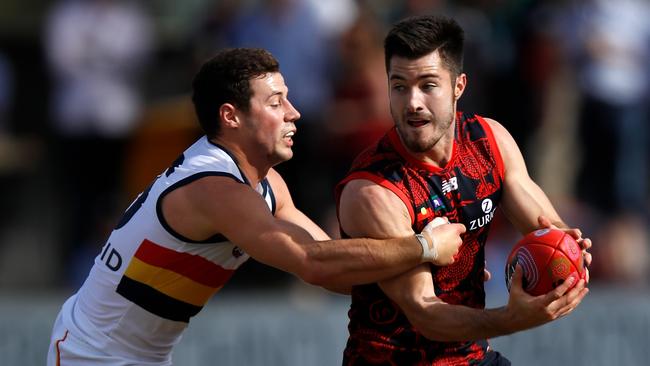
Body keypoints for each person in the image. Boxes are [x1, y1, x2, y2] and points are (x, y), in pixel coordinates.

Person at [46, 47, 468, 366]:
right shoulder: (214, 188)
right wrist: (422, 248)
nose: (294, 113)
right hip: (92, 354)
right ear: (231, 117)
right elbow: (313, 262)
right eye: (275, 102)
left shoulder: (268, 185)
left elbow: (337, 273)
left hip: (142, 355)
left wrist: (434, 282)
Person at [336, 15, 592, 365]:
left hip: (470, 355)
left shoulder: (490, 141)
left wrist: (569, 252)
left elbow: (546, 229)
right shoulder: (373, 190)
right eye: (399, 86)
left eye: (428, 85)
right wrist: (511, 319)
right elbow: (425, 313)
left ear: (458, 86)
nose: (412, 102)